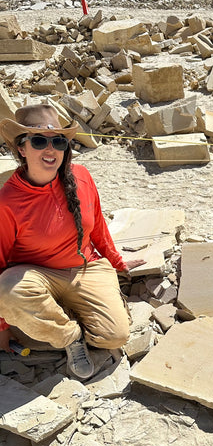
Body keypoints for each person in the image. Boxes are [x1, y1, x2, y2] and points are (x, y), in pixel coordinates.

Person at [0, 104, 144, 380]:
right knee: (7, 291)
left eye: (59, 141)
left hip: (87, 268)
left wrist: (117, 262)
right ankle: (70, 338)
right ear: (22, 148)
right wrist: (2, 326)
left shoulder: (82, 176)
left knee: (114, 337)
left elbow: (98, 225)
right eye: (40, 141)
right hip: (38, 275)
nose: (50, 149)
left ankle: (60, 313)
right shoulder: (7, 201)